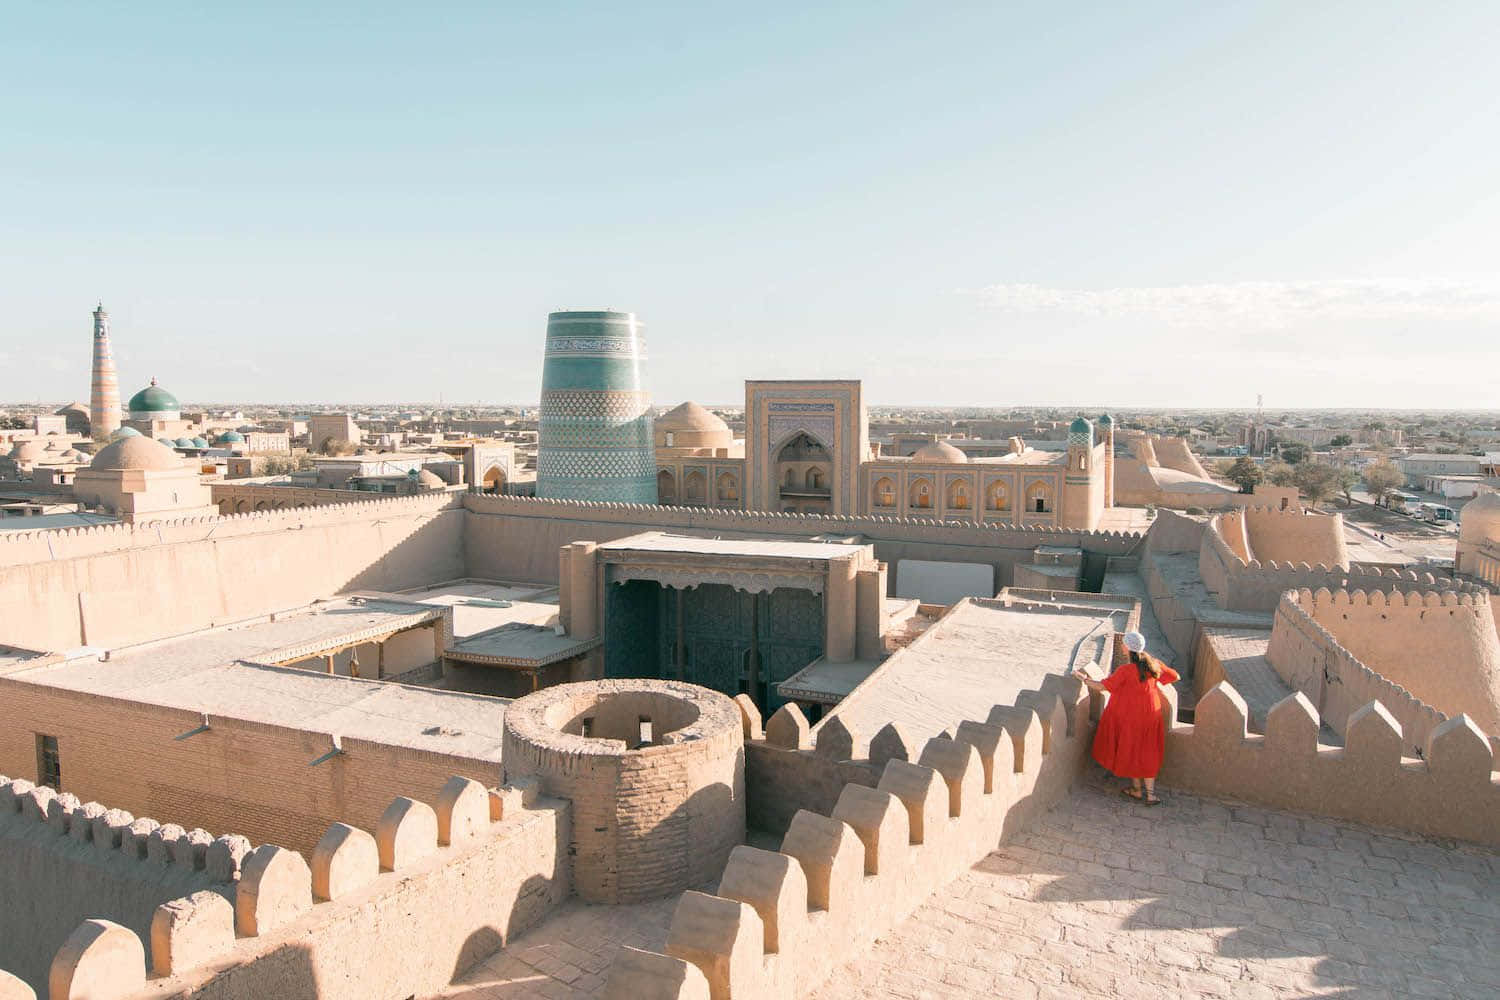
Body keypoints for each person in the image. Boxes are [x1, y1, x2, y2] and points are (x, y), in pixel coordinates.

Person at [1079, 631, 1179, 805]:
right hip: (1151, 715)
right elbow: (1175, 677)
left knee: (1132, 750)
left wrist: (1085, 679)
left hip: (1130, 718)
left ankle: (1137, 790)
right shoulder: (1154, 665)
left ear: (1126, 648)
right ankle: (1149, 794)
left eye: (1124, 644)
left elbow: (1102, 686)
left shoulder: (1125, 670)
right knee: (1147, 751)